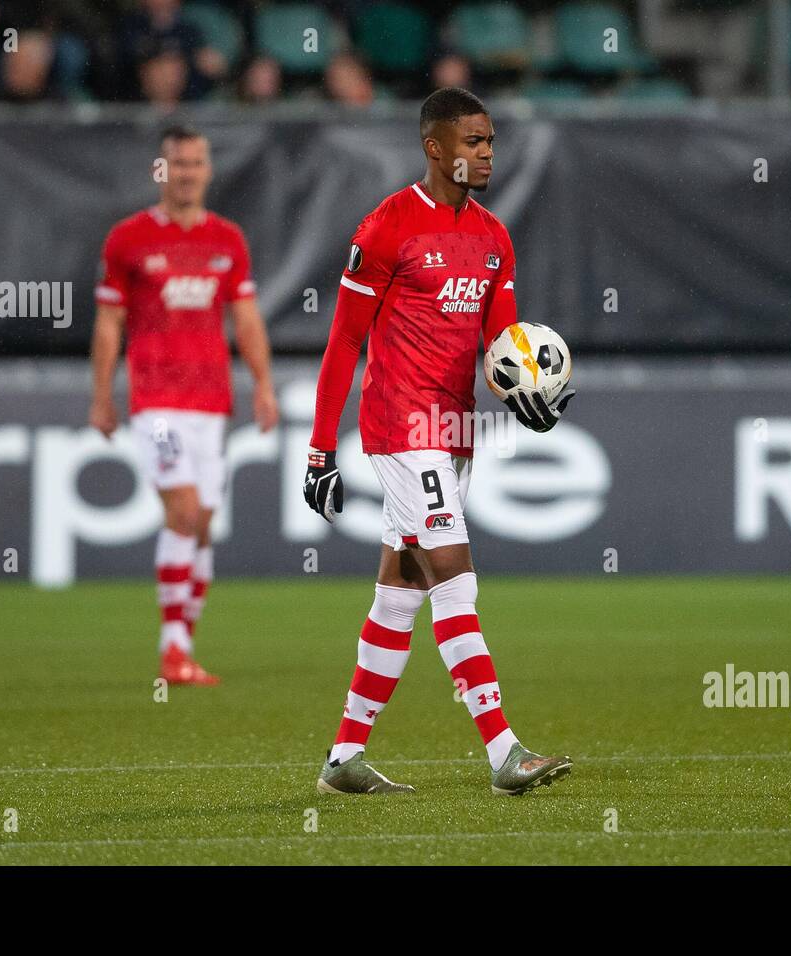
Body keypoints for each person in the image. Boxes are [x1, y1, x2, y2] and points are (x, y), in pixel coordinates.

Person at [304, 88, 576, 796]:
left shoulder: (494, 237)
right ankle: (504, 752)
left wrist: (528, 398)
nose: (487, 154)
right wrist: (319, 449)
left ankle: (344, 758)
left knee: (400, 591)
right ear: (435, 147)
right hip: (401, 425)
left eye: (491, 142)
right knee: (456, 576)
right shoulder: (388, 227)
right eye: (474, 142)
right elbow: (343, 344)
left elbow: (501, 349)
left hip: (455, 435)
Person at [90, 125, 280, 686]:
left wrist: (263, 384)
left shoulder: (228, 241)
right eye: (177, 163)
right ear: (161, 170)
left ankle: (185, 645)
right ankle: (172, 649)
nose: (187, 173)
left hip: (211, 402)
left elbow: (245, 318)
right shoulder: (128, 239)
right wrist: (102, 394)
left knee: (202, 525)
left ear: (208, 170)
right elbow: (109, 321)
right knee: (183, 509)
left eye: (196, 163)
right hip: (156, 402)